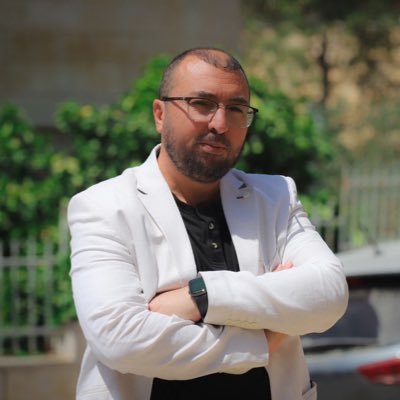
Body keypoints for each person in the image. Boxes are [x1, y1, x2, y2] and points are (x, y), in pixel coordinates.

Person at [68, 47, 348, 400]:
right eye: (202, 104)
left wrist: (200, 297)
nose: (220, 124)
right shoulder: (105, 207)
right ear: (160, 114)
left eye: (236, 109)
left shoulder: (275, 197)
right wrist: (260, 341)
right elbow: (120, 339)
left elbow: (329, 295)